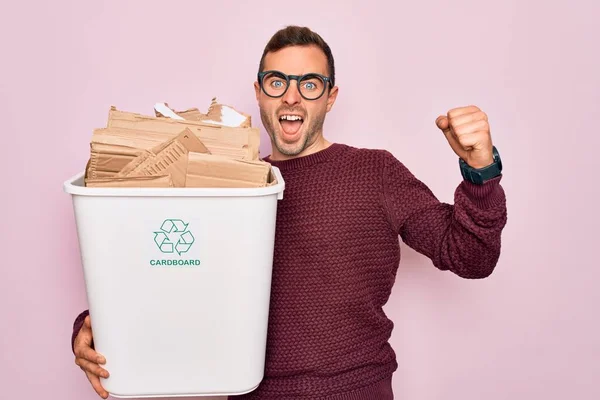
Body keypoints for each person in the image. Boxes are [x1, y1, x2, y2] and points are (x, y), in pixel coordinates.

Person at [71, 26, 507, 399]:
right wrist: (90, 328)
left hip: (356, 391)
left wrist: (480, 169)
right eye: (277, 82)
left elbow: (471, 257)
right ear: (259, 92)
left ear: (331, 97)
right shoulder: (226, 184)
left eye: (310, 83)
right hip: (252, 391)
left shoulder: (376, 172)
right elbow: (163, 275)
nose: (292, 98)